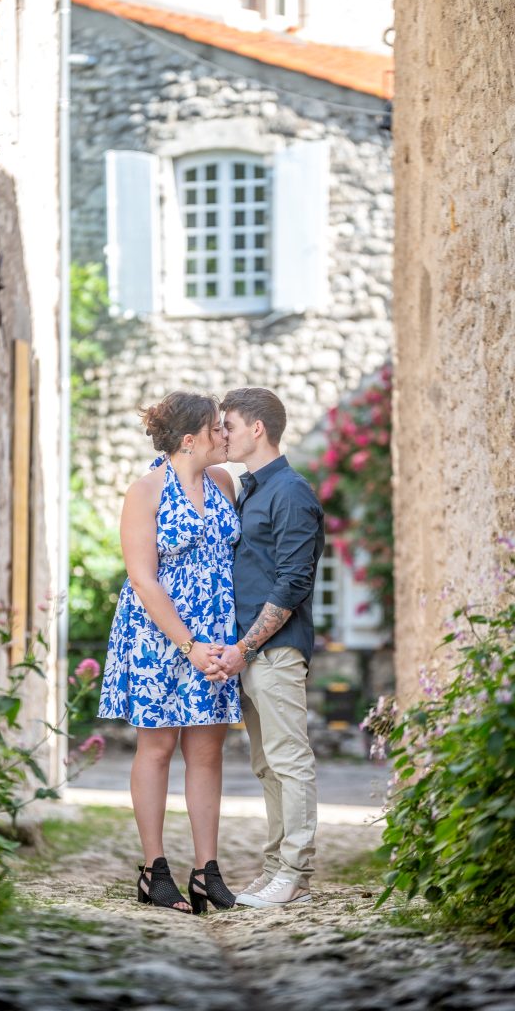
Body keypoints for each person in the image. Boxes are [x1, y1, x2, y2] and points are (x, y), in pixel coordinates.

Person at [98, 391, 241, 914]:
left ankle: (207, 871)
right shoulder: (147, 490)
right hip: (159, 635)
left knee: (207, 752)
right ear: (190, 439)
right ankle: (153, 871)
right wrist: (189, 643)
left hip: (217, 637)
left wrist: (228, 643)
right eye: (217, 428)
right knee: (156, 749)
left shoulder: (224, 483)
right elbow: (143, 578)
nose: (226, 435)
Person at [205, 387, 325, 908]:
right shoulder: (251, 489)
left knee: (289, 760)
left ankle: (295, 872)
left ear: (257, 428)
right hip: (250, 653)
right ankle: (276, 867)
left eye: (227, 424)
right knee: (266, 765)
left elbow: (293, 583)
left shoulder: (291, 492)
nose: (221, 434)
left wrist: (246, 647)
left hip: (273, 651)